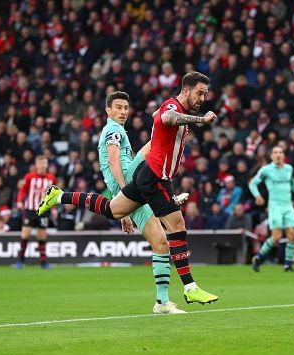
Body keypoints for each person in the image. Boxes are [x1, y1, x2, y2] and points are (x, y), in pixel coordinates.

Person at [38, 72, 219, 305]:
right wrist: (201, 120)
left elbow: (159, 116)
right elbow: (165, 117)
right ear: (186, 90)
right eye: (199, 93)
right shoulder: (124, 126)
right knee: (175, 229)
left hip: (146, 176)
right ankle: (188, 288)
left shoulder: (160, 113)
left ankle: (60, 196)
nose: (203, 98)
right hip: (152, 177)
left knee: (115, 211)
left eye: (126, 107)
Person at [97, 91, 185, 314]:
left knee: (161, 243)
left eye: (125, 108)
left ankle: (162, 301)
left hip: (133, 187)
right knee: (155, 145)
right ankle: (162, 302)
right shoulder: (112, 131)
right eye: (118, 107)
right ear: (108, 110)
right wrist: (126, 193)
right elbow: (114, 162)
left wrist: (124, 208)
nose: (123, 112)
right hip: (133, 184)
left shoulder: (117, 130)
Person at [249, 146, 294, 272]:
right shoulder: (266, 170)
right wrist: (257, 196)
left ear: (283, 155)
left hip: (288, 206)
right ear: (271, 156)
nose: (278, 155)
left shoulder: (288, 169)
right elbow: (252, 183)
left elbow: (292, 183)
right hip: (275, 206)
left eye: (280, 152)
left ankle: (288, 265)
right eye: (275, 152)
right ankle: (258, 258)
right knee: (276, 237)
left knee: (292, 234)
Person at [15, 156, 56, 269]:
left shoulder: (51, 178)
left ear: (47, 164)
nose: (42, 166)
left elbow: (53, 195)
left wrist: (54, 209)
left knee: (42, 235)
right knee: (25, 233)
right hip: (30, 209)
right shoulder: (29, 177)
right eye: (40, 163)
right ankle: (21, 260)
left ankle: (43, 261)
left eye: (44, 163)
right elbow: (23, 190)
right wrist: (19, 201)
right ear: (37, 165)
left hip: (44, 211)